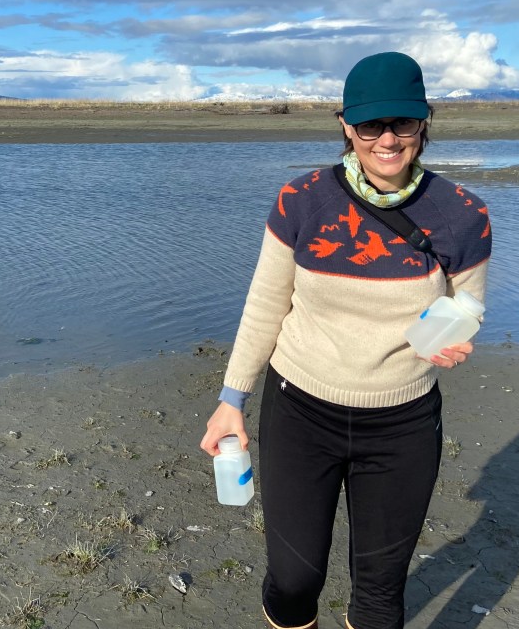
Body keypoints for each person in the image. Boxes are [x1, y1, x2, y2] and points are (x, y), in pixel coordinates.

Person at [200, 52, 492, 629]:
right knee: (293, 580)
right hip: (300, 411)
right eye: (369, 125)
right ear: (345, 126)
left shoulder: (463, 214)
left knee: (380, 595)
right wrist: (231, 400)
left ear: (424, 123)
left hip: (403, 422)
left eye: (402, 123)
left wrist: (455, 340)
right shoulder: (302, 200)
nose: (387, 139)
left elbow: (467, 306)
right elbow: (265, 305)